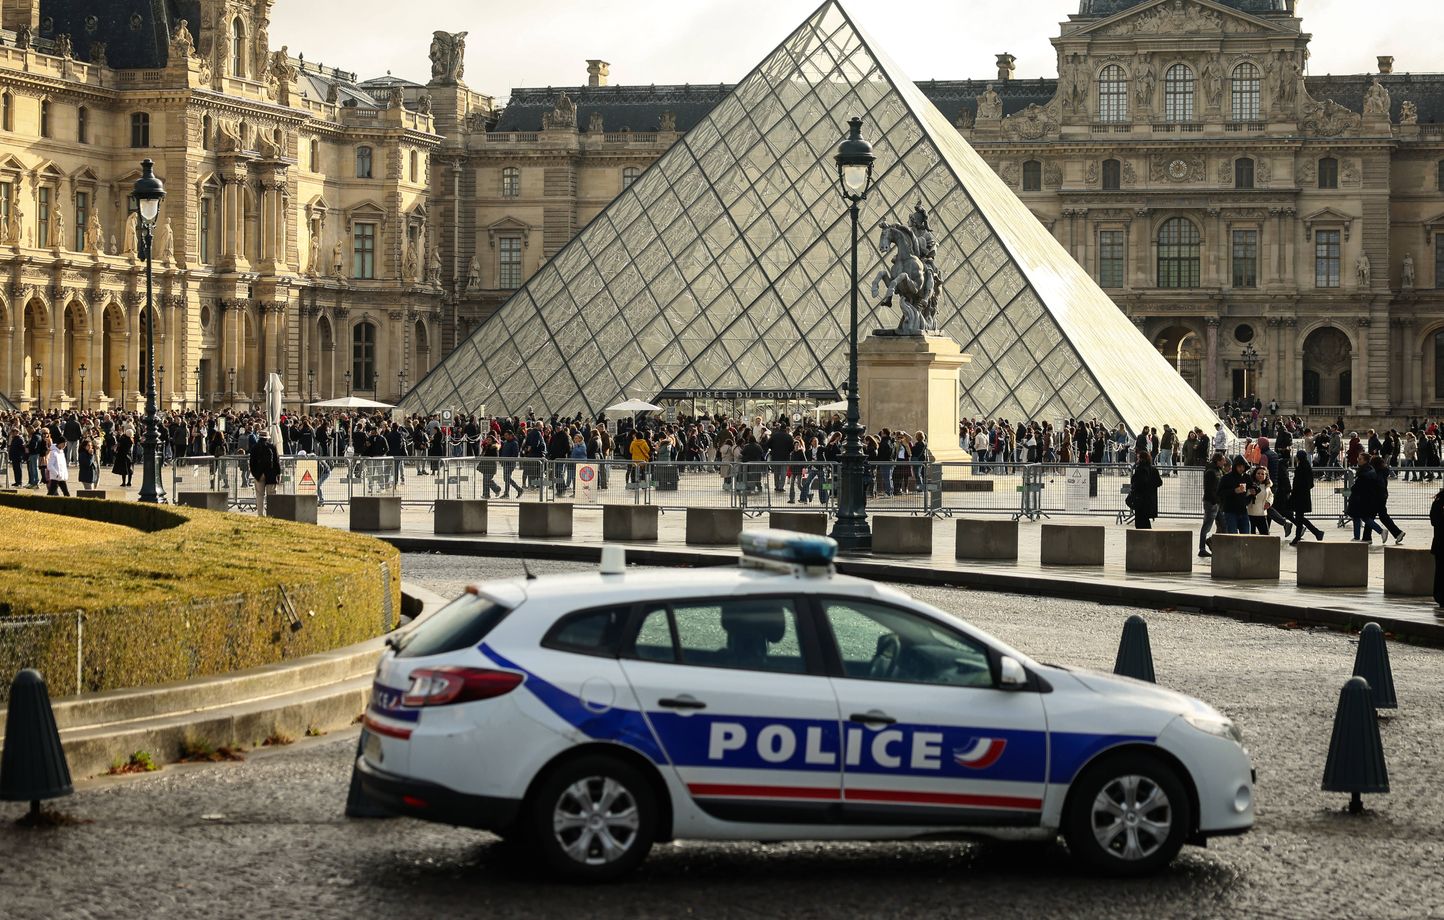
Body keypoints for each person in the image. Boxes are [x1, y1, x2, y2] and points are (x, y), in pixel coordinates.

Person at [1289, 450, 1326, 545]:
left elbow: (1297, 483)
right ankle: (1315, 533)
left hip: (1298, 496)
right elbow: (1311, 484)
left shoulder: (1300, 468)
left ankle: (1313, 533)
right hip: (1304, 496)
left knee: (1299, 518)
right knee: (1299, 518)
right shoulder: (1307, 466)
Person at [1199, 451, 1226, 557]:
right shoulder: (1211, 471)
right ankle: (1202, 548)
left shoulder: (1218, 470)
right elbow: (1209, 489)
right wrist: (1215, 500)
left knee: (1223, 526)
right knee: (1207, 526)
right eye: (1223, 460)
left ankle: (1211, 542)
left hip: (1217, 502)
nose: (1224, 462)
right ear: (1218, 461)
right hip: (1212, 502)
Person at [249, 430, 282, 516]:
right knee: (271, 495)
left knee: (260, 495)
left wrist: (255, 474)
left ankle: (260, 514)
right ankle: (271, 514)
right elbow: (276, 462)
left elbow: (252, 463)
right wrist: (278, 473)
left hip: (259, 474)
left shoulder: (254, 447)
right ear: (267, 438)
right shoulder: (272, 447)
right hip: (271, 473)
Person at [1217, 456, 1252, 534]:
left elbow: (1253, 487)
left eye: (1243, 467)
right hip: (1230, 511)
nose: (1241, 469)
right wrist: (1234, 491)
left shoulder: (1247, 477)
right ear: (1235, 466)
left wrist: (1253, 492)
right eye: (1239, 466)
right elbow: (1220, 493)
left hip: (1243, 510)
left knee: (1246, 535)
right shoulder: (1226, 478)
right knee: (1232, 535)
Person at [1128, 449, 1162, 529]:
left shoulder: (1139, 469)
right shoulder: (1153, 469)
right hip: (1150, 499)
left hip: (1140, 499)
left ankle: (1142, 540)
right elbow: (1159, 482)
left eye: (1138, 458)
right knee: (1146, 521)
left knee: (1140, 522)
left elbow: (1136, 483)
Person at [1245, 465, 1273, 535]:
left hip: (1262, 513)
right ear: (1255, 474)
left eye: (1262, 474)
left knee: (1265, 535)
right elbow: (1245, 496)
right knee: (1251, 535)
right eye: (1258, 473)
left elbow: (1271, 495)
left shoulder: (1267, 486)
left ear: (1266, 475)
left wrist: (1269, 503)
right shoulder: (1250, 484)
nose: (1260, 475)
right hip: (1250, 514)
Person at [1432, 486, 1444, 608]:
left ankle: (1440, 595)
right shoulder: (1439, 502)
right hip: (1441, 543)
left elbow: (1434, 520)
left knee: (1440, 571)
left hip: (1439, 543)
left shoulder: (1438, 501)